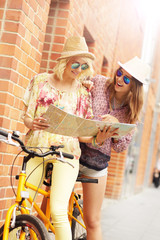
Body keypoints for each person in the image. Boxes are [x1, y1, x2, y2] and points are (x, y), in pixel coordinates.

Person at [22, 36, 98, 240]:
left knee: (57, 211)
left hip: (67, 154)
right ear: (64, 61)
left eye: (84, 66)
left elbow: (83, 133)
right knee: (24, 205)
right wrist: (32, 123)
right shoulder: (39, 81)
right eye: (75, 63)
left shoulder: (83, 93)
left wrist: (98, 135)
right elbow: (27, 117)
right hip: (37, 148)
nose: (78, 69)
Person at [79, 56, 151, 240]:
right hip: (74, 151)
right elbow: (77, 95)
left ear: (134, 87)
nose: (119, 79)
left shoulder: (130, 113)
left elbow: (121, 147)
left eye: (127, 79)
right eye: (120, 73)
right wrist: (83, 85)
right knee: (53, 207)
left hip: (96, 164)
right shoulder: (99, 82)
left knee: (93, 221)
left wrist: (116, 128)